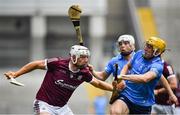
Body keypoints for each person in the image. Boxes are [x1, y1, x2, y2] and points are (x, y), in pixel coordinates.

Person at [4, 45, 114, 115]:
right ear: (73, 57)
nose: (86, 60)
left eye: (87, 57)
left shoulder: (84, 73)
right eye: (82, 57)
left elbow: (98, 83)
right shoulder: (57, 63)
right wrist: (16, 74)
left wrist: (115, 89)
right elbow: (36, 64)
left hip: (62, 108)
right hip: (44, 104)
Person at [114, 37, 178, 114]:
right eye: (146, 45)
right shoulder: (139, 54)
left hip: (143, 103)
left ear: (157, 52)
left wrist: (121, 77)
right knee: (115, 112)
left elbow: (145, 79)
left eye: (150, 47)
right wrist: (122, 79)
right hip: (127, 95)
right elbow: (128, 65)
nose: (146, 48)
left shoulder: (158, 65)